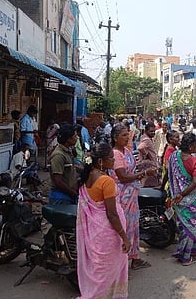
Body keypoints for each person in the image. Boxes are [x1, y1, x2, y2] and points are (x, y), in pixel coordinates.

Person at [76, 143, 130, 299]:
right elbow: (112, 214)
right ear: (101, 161)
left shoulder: (87, 177)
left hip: (95, 234)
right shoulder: (106, 181)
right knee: (107, 273)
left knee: (98, 272)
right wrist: (124, 237)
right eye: (111, 158)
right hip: (108, 236)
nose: (114, 161)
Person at [109, 123, 153, 271]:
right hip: (122, 197)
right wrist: (144, 174)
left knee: (133, 227)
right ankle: (121, 262)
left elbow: (131, 169)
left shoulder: (126, 151)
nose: (127, 137)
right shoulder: (115, 154)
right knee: (124, 227)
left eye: (128, 134)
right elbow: (123, 177)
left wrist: (143, 166)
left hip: (131, 197)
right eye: (123, 135)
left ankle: (134, 258)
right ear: (115, 138)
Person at [168, 132, 196, 266]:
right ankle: (185, 257)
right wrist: (183, 195)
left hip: (177, 198)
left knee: (184, 226)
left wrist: (176, 194)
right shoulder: (194, 161)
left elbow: (169, 175)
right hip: (190, 199)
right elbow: (195, 182)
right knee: (191, 227)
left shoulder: (174, 156)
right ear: (190, 146)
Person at [48, 124, 78, 205]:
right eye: (75, 136)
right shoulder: (59, 155)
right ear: (68, 139)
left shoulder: (68, 151)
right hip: (61, 196)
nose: (77, 138)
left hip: (67, 194)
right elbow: (58, 181)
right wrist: (73, 194)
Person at [137, 122, 160, 187]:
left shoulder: (145, 137)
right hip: (149, 166)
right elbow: (140, 147)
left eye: (154, 131)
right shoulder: (146, 139)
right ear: (146, 131)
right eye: (151, 131)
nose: (153, 133)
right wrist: (146, 155)